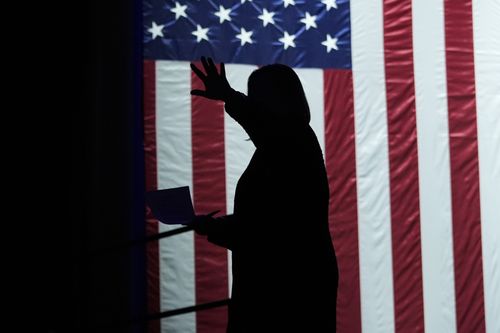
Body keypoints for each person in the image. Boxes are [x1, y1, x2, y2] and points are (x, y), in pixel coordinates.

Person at [190, 57, 338, 332]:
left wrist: (228, 96)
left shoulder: (295, 140)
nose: (254, 102)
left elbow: (273, 229)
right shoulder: (279, 149)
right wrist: (213, 227)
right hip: (276, 286)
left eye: (260, 96)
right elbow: (264, 225)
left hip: (291, 290)